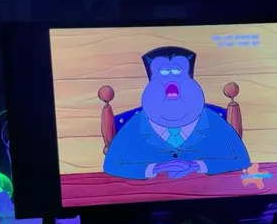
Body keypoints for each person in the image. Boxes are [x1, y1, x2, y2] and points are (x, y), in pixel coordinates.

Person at [104, 46, 250, 180]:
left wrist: (197, 165)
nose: (171, 83)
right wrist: (155, 168)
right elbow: (111, 165)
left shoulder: (213, 121)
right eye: (163, 74)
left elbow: (241, 159)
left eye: (178, 73)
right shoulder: (136, 125)